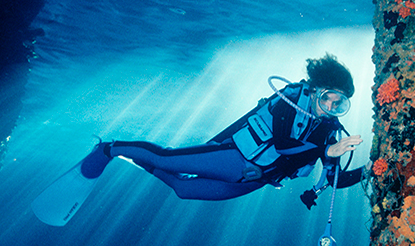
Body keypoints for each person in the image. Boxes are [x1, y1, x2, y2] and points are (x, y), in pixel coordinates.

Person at [78, 54, 367, 205]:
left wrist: (372, 171)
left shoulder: (328, 132)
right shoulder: (290, 100)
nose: (333, 106)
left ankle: (134, 159)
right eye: (331, 96)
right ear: (317, 88)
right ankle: (109, 148)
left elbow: (335, 178)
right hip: (234, 158)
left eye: (341, 103)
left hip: (257, 179)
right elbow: (282, 144)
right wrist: (326, 150)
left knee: (182, 189)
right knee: (167, 158)